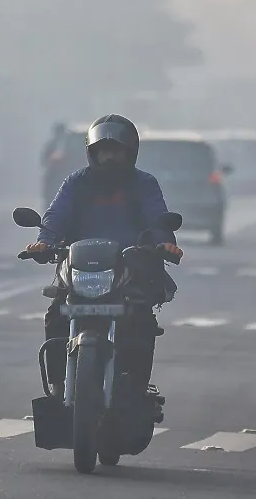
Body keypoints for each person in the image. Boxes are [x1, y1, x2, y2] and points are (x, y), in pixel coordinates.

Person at [25, 114, 184, 400]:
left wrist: (164, 244)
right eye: (103, 151)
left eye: (116, 151)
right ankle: (58, 386)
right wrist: (43, 242)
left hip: (130, 268)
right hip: (80, 267)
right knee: (56, 315)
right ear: (92, 152)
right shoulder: (76, 182)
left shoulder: (144, 184)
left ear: (130, 151)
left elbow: (157, 219)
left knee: (142, 320)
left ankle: (136, 387)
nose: (109, 157)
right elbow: (56, 216)